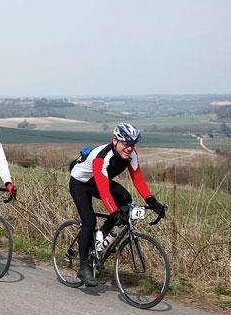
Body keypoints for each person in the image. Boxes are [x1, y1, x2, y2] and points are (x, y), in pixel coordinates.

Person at [69, 122, 166, 286]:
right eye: (126, 144)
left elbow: (138, 179)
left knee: (126, 201)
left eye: (133, 144)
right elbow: (104, 190)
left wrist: (152, 201)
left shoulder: (132, 155)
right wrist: (114, 212)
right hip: (81, 183)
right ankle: (83, 266)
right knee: (89, 221)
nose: (129, 148)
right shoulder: (102, 157)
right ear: (115, 141)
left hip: (100, 181)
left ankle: (101, 236)